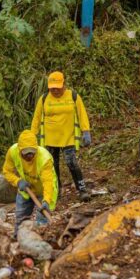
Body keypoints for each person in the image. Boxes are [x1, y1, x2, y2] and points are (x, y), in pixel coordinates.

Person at [30, 71, 91, 201]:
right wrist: (32, 136)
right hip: (50, 140)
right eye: (52, 88)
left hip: (68, 138)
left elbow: (82, 114)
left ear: (64, 84)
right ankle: (57, 191)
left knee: (72, 163)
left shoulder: (73, 96)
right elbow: (36, 118)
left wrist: (86, 131)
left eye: (57, 87)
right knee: (53, 166)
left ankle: (82, 189)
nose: (55, 90)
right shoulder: (44, 99)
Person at [2, 130, 58, 236]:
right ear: (19, 150)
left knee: (41, 223)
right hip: (26, 189)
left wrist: (46, 201)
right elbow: (7, 171)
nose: (29, 156)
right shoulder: (13, 152)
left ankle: (40, 242)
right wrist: (18, 181)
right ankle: (17, 239)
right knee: (20, 219)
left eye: (32, 152)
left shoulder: (44, 158)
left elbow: (47, 182)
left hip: (45, 191)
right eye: (26, 153)